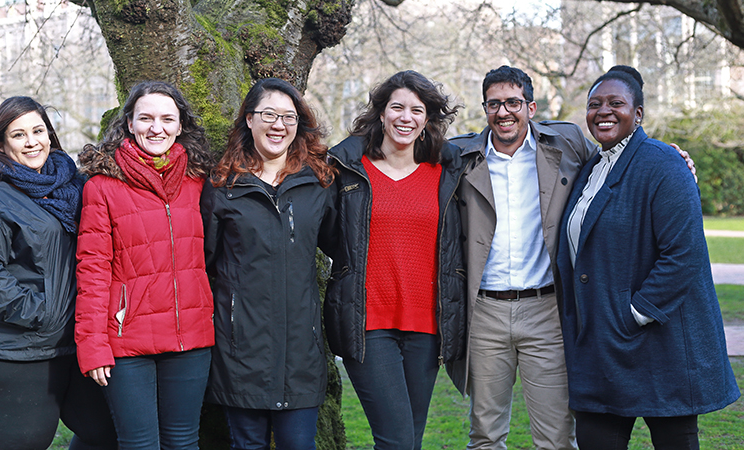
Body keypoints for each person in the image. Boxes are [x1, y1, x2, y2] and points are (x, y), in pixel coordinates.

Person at [447, 66, 696, 450]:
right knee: (484, 434)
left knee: (556, 437)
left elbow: (621, 153)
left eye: (513, 102)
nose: (503, 112)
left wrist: (670, 156)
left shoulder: (565, 144)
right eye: (494, 104)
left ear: (530, 107)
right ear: (484, 109)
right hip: (485, 312)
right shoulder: (460, 156)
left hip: (546, 310)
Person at [556, 65, 739, 449]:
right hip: (600, 350)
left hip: (659, 345)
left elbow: (683, 254)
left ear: (637, 114)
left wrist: (634, 313)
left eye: (615, 103)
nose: (603, 111)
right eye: (594, 104)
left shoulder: (663, 164)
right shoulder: (591, 169)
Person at [0, 96, 117, 450]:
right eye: (18, 135)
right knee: (26, 443)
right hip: (13, 345)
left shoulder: (71, 187)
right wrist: (43, 315)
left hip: (72, 341)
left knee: (106, 432)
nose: (32, 142)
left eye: (38, 130)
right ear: (0, 143)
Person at [324, 70, 466, 450]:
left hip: (426, 325)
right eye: (397, 107)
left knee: (410, 440)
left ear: (428, 118)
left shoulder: (447, 172)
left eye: (416, 110)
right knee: (397, 440)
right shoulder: (349, 170)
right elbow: (326, 234)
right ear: (382, 114)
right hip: (368, 323)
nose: (406, 117)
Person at [74, 80, 216, 450]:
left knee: (183, 442)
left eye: (168, 119)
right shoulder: (102, 186)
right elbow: (92, 270)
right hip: (126, 340)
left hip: (191, 337)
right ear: (130, 124)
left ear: (180, 125)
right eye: (146, 118)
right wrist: (92, 345)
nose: (157, 128)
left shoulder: (198, 180)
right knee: (139, 445)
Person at [201, 77, 337, 450]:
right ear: (249, 119)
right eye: (269, 114)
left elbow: (342, 246)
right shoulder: (223, 187)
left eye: (288, 117)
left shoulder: (318, 183)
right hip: (241, 352)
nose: (279, 125)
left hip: (301, 355)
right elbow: (205, 264)